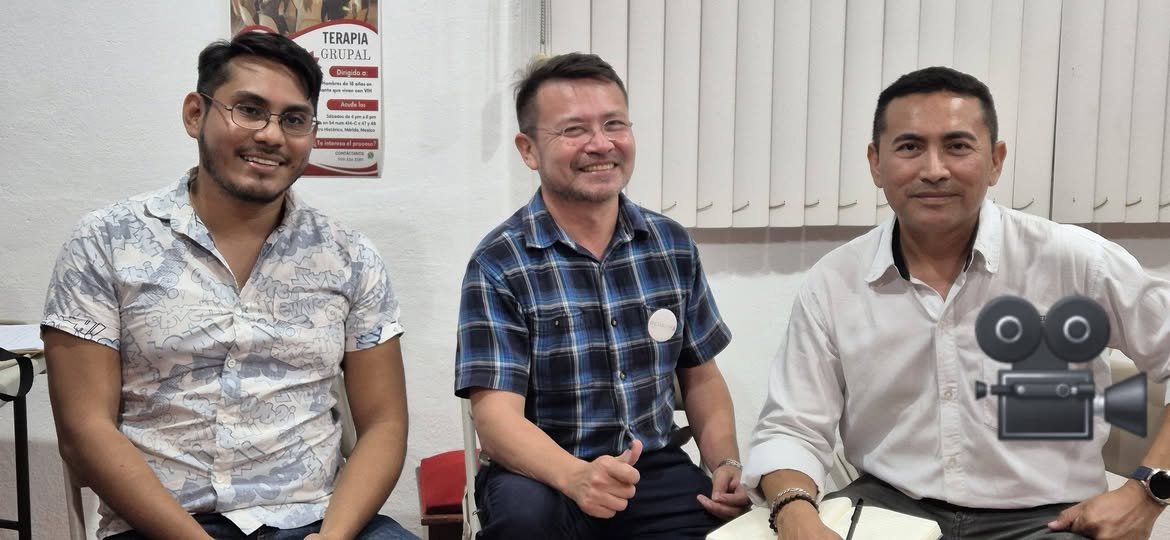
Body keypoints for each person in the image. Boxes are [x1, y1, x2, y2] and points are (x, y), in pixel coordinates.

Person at [744, 65, 1170, 540]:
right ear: (875, 163)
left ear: (995, 161)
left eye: (957, 146)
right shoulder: (834, 282)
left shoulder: (1075, 261)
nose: (934, 170)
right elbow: (791, 427)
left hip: (1049, 519)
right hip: (891, 510)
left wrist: (1148, 492)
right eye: (909, 147)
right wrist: (795, 514)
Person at [42, 31, 415, 540]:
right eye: (249, 110)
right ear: (195, 114)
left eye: (294, 119)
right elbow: (84, 431)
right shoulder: (106, 242)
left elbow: (385, 424)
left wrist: (333, 536)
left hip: (315, 519)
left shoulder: (349, 256)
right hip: (162, 526)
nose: (272, 135)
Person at [454, 52, 750, 539]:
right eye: (573, 130)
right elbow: (495, 418)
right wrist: (575, 477)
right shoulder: (500, 263)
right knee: (523, 522)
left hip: (651, 468)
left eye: (614, 124)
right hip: (542, 472)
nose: (601, 144)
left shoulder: (670, 245)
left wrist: (725, 463)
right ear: (529, 150)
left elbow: (701, 378)